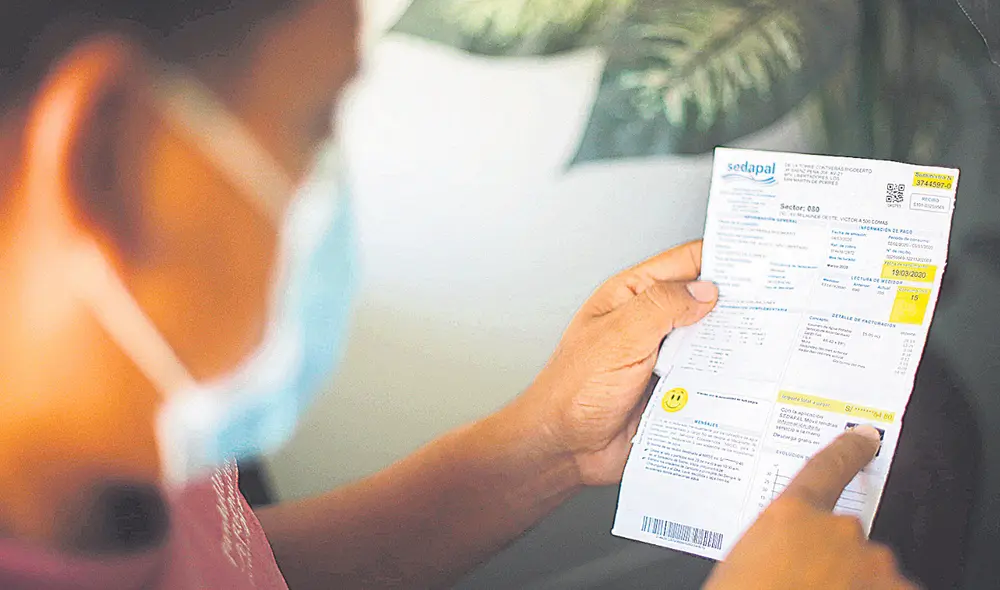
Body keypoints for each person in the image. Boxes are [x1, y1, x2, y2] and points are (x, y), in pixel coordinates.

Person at [0, 1, 917, 588]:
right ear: (104, 159)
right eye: (313, 123)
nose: (333, 192)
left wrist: (548, 444)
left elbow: (243, 571)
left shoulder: (141, 428)